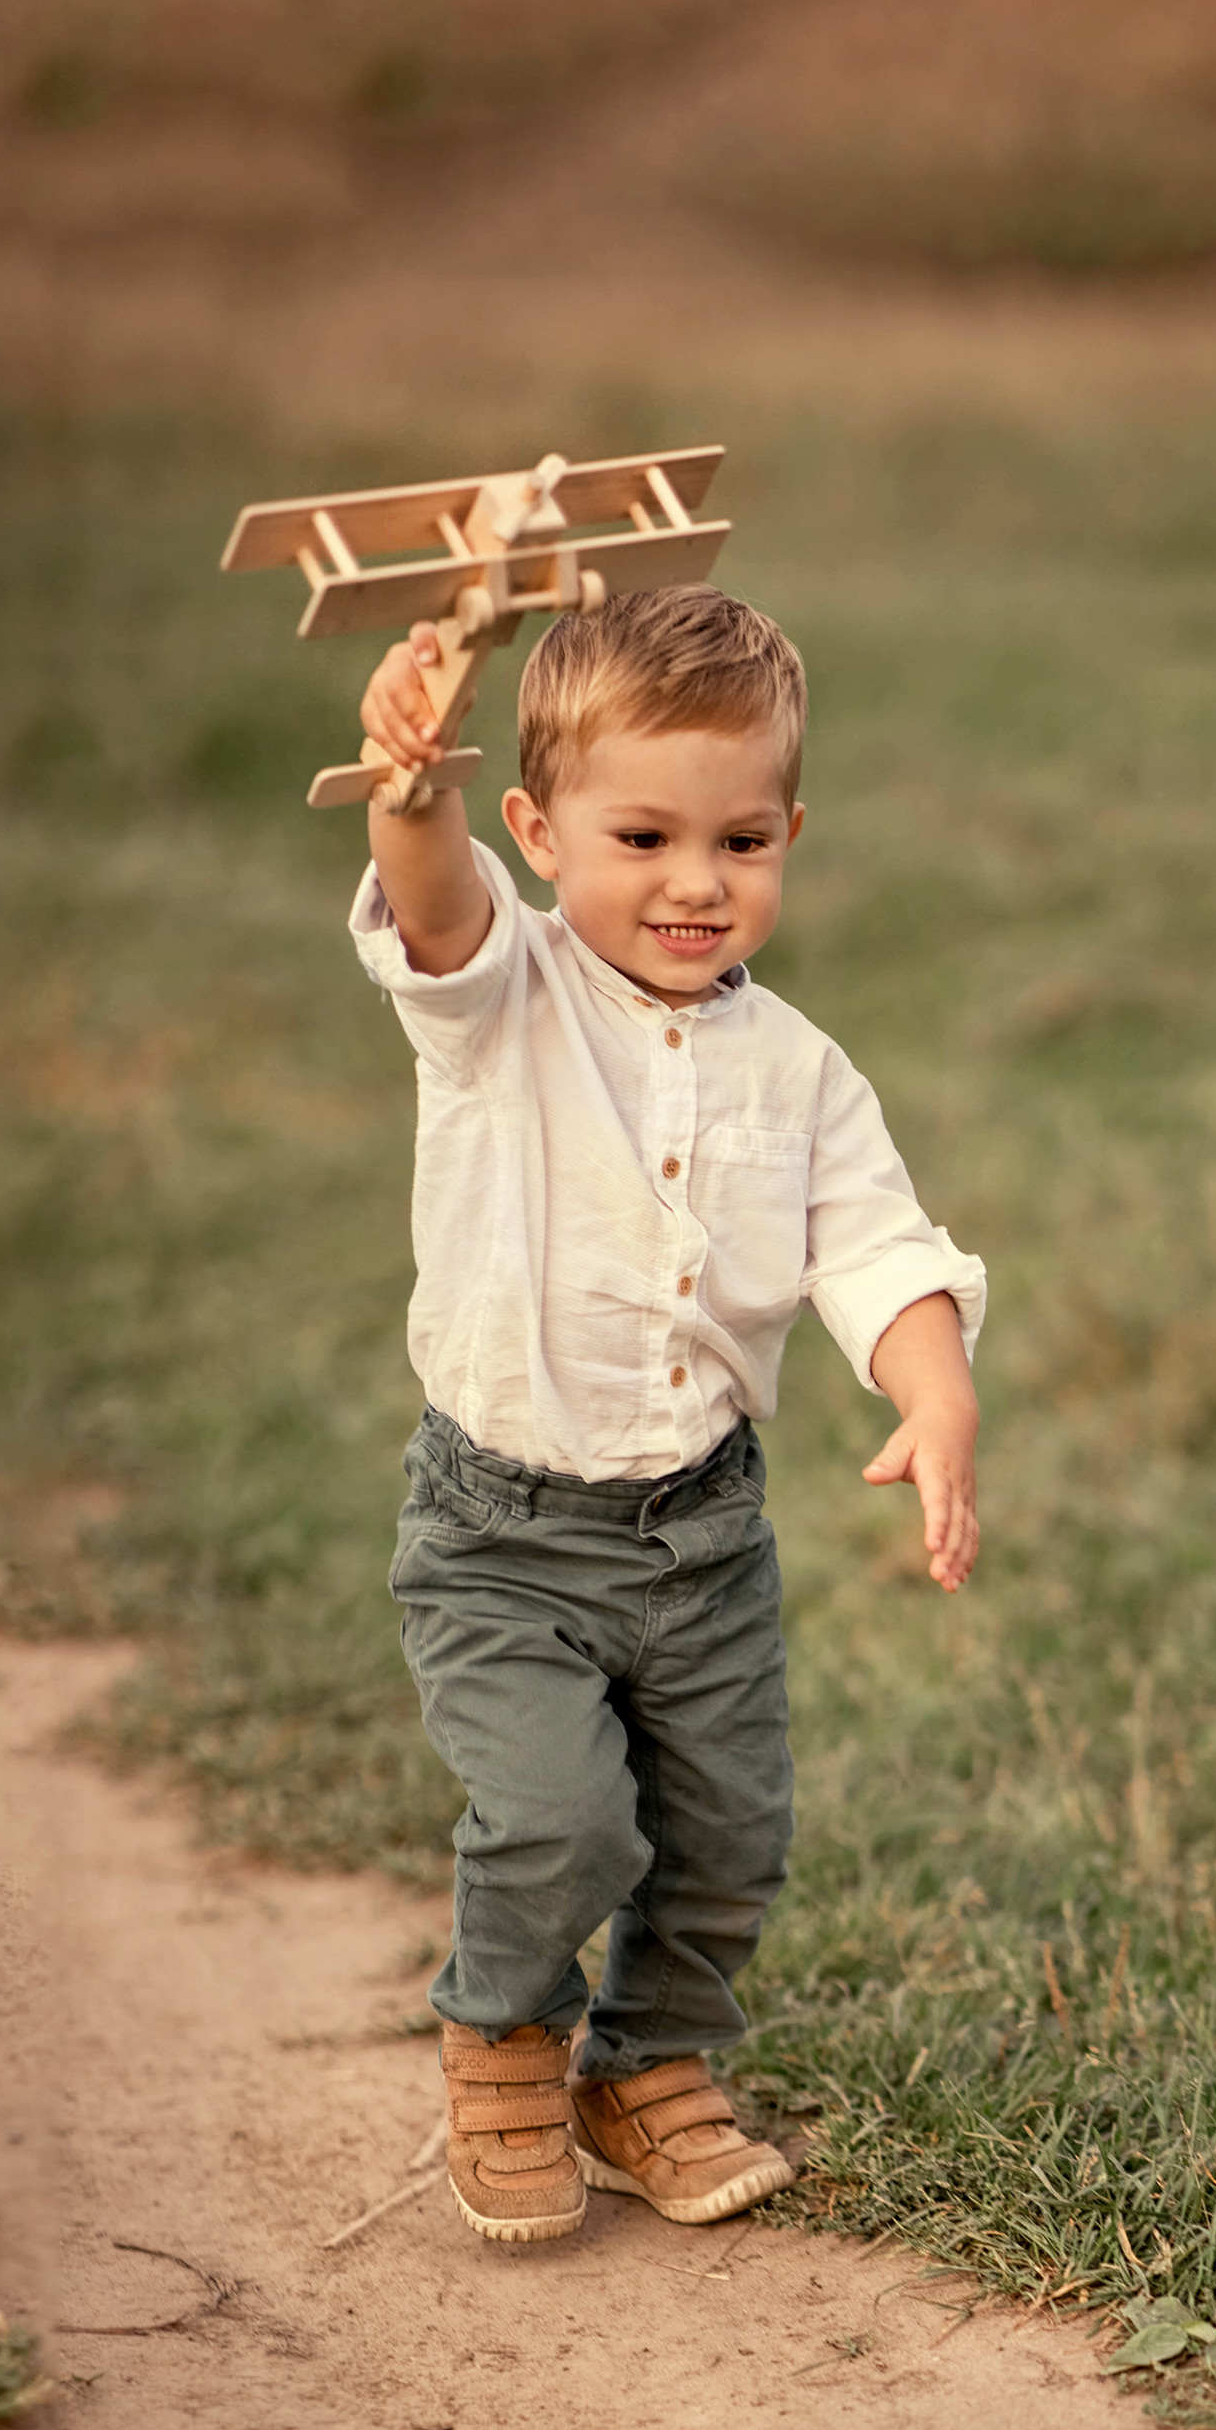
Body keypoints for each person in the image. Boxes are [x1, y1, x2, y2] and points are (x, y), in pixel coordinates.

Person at [349, 585, 985, 2244]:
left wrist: (935, 1392)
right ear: (536, 831)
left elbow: (879, 1244)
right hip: (506, 1532)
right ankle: (503, 2036)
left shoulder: (801, 1069)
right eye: (641, 835)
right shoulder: (506, 1004)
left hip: (702, 1535)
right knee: (563, 1816)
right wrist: (403, 783)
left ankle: (650, 2067)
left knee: (725, 1831)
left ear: (789, 833)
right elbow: (430, 905)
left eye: (743, 840)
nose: (697, 884)